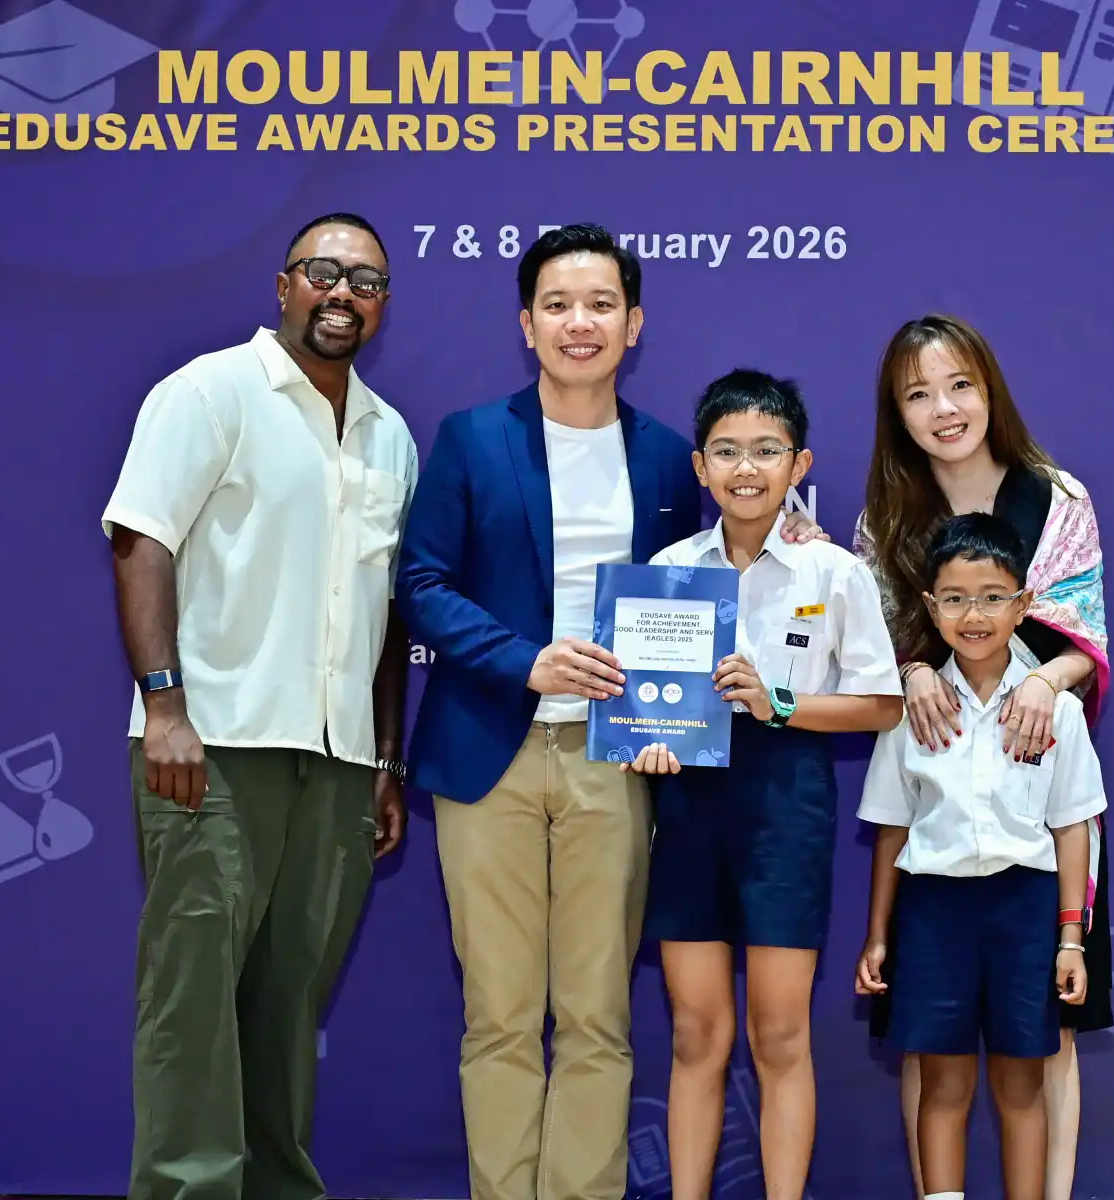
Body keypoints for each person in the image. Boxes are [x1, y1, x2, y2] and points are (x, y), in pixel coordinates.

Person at [394, 225, 825, 1200]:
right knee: (500, 1015)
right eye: (557, 305)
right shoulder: (471, 438)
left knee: (597, 1015)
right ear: (527, 324)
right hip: (488, 754)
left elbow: (725, 568)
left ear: (633, 324)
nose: (578, 322)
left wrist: (794, 542)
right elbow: (419, 583)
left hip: (620, 758)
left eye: (600, 305)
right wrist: (525, 660)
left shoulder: (671, 458)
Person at [101, 212, 416, 1200]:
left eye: (365, 282)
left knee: (288, 1008)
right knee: (193, 1002)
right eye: (324, 272)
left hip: (338, 767)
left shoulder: (390, 436)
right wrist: (165, 709)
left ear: (383, 305)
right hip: (211, 750)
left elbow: (385, 615)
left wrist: (385, 761)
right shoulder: (210, 393)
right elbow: (140, 542)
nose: (343, 293)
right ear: (284, 286)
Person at [622, 369, 904, 1200]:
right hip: (687, 807)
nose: (746, 468)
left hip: (787, 805)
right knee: (695, 1034)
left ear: (798, 464)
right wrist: (646, 745)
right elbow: (639, 709)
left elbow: (882, 704)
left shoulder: (834, 573)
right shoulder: (667, 570)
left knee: (779, 1035)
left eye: (767, 451)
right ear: (700, 467)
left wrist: (777, 702)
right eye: (727, 451)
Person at [850, 314, 1113, 1200]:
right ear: (897, 412)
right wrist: (912, 668)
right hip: (937, 815)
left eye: (960, 385)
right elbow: (867, 649)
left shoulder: (1058, 499)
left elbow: (1087, 635)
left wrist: (1047, 680)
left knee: (1046, 1029)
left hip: (1037, 797)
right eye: (918, 394)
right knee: (932, 1042)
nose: (944, 409)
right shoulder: (887, 517)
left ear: (990, 387)